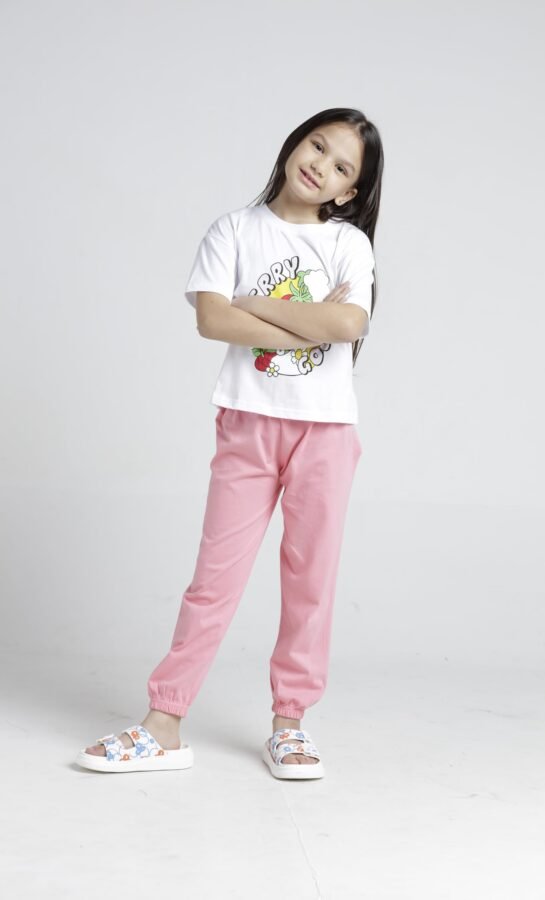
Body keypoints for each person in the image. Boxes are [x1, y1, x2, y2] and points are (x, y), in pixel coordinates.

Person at [76, 107, 384, 779]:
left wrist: (255, 304)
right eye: (317, 145)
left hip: (326, 430)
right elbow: (212, 321)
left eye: (341, 167)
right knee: (213, 580)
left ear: (349, 191)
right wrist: (308, 320)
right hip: (247, 421)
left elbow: (347, 323)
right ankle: (164, 723)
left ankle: (290, 725)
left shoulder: (347, 245)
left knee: (311, 580)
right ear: (295, 143)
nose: (321, 166)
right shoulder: (234, 229)